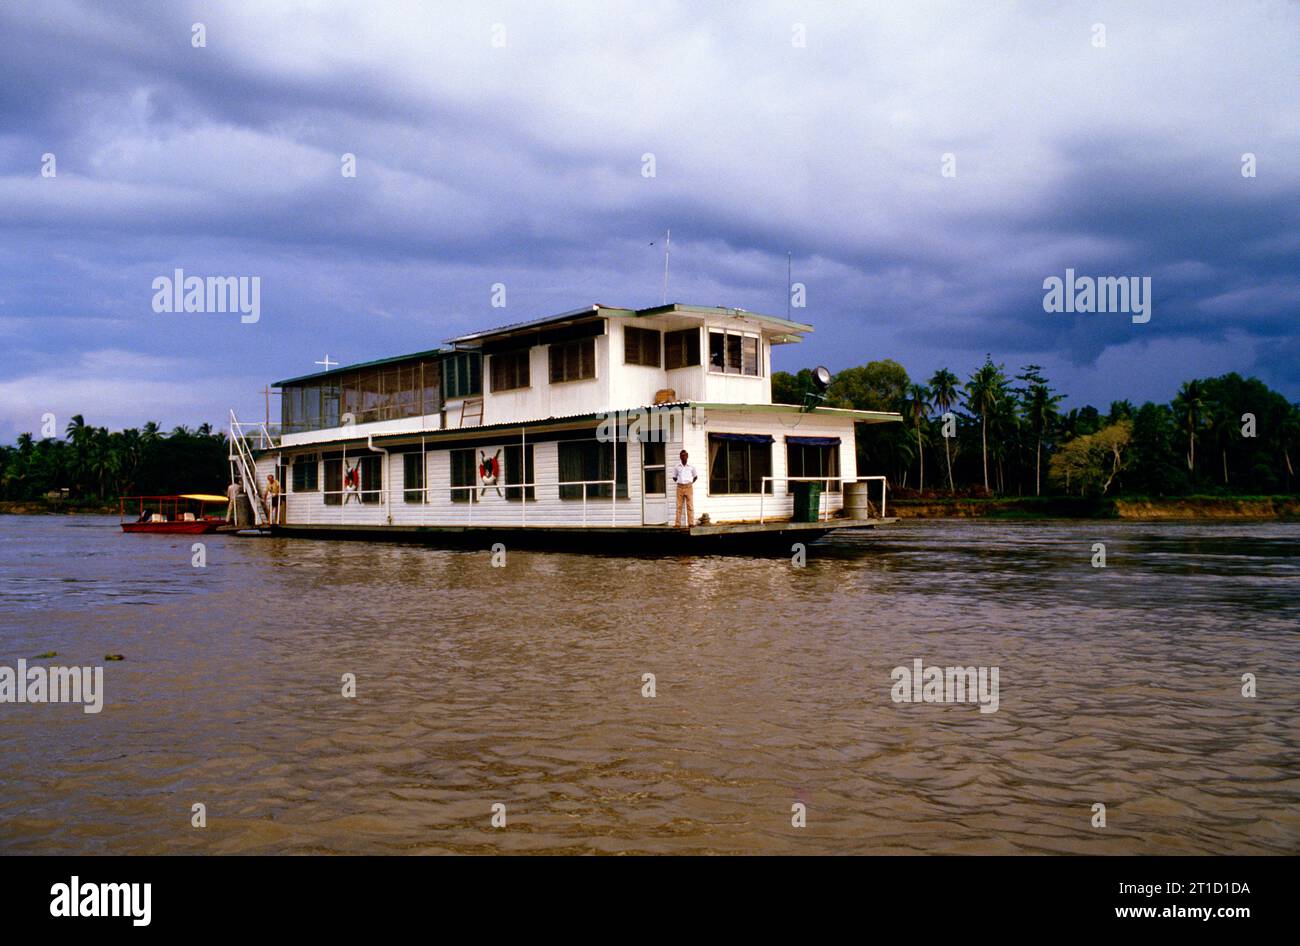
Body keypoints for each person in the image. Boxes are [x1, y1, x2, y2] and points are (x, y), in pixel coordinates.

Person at [671, 449, 698, 528]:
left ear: (687, 456)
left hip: (689, 487)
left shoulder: (691, 466)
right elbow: (674, 477)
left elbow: (695, 476)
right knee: (679, 506)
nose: (684, 457)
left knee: (690, 506)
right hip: (680, 487)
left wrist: (690, 483)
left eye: (685, 455)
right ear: (680, 457)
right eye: (682, 456)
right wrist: (679, 482)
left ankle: (691, 523)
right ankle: (677, 524)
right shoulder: (677, 467)